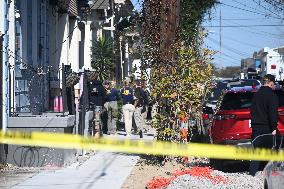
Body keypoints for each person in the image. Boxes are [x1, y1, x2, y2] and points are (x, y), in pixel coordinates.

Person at [249, 74, 279, 176]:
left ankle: (252, 173)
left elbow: (252, 111)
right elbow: (272, 114)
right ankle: (273, 173)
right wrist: (274, 128)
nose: (274, 86)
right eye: (274, 84)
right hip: (267, 128)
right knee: (273, 150)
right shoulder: (272, 96)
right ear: (271, 83)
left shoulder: (256, 95)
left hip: (256, 128)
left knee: (256, 152)